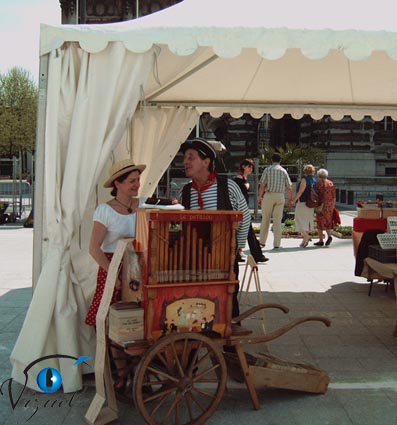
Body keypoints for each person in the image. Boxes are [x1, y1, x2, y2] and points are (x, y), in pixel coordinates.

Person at [84, 158, 146, 400]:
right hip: (112, 269)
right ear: (117, 184)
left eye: (138, 180)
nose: (137, 184)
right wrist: (113, 275)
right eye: (131, 181)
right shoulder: (105, 210)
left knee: (137, 321)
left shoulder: (141, 206)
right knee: (114, 325)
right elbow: (94, 249)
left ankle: (139, 372)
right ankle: (121, 374)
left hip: (136, 269)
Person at [179, 138, 251, 325]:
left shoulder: (228, 187)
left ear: (206, 161)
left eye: (191, 157)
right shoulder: (185, 191)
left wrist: (237, 249)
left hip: (225, 258)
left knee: (227, 302)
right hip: (194, 259)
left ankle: (229, 347)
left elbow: (244, 218)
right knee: (195, 302)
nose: (185, 161)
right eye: (185, 157)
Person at [233, 159, 268, 263]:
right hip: (241, 209)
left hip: (243, 209)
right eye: (249, 167)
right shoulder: (238, 179)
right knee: (247, 233)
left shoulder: (243, 178)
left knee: (246, 233)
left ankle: (241, 255)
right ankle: (257, 255)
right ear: (243, 166)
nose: (251, 169)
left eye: (252, 167)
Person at [258, 153, 292, 249]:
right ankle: (277, 244)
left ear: (272, 160)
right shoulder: (284, 171)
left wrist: (260, 197)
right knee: (277, 221)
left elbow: (262, 185)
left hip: (269, 195)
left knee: (266, 219)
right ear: (280, 161)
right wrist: (290, 199)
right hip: (280, 196)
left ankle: (262, 242)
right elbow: (289, 187)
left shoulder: (267, 170)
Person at [289, 164, 316, 248]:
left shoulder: (304, 180)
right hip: (311, 203)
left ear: (305, 171)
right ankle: (305, 239)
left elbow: (300, 192)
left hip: (303, 202)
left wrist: (293, 200)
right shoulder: (315, 180)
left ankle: (306, 236)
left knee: (298, 219)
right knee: (307, 220)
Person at [314, 168, 336, 247]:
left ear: (319, 175)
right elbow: (334, 195)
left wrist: (319, 205)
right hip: (330, 205)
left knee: (320, 222)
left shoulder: (319, 183)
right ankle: (329, 236)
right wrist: (333, 205)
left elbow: (320, 195)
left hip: (322, 205)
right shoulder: (331, 183)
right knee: (328, 221)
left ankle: (321, 240)